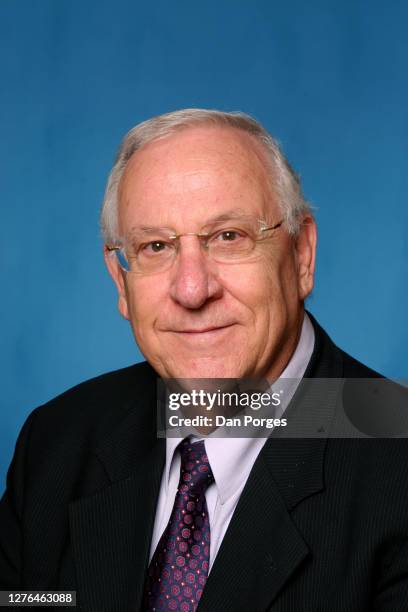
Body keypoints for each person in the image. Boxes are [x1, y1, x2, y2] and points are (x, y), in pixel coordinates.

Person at [1, 109, 407, 611]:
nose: (192, 289)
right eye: (155, 246)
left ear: (302, 254)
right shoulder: (57, 443)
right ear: (120, 281)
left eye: (229, 237)